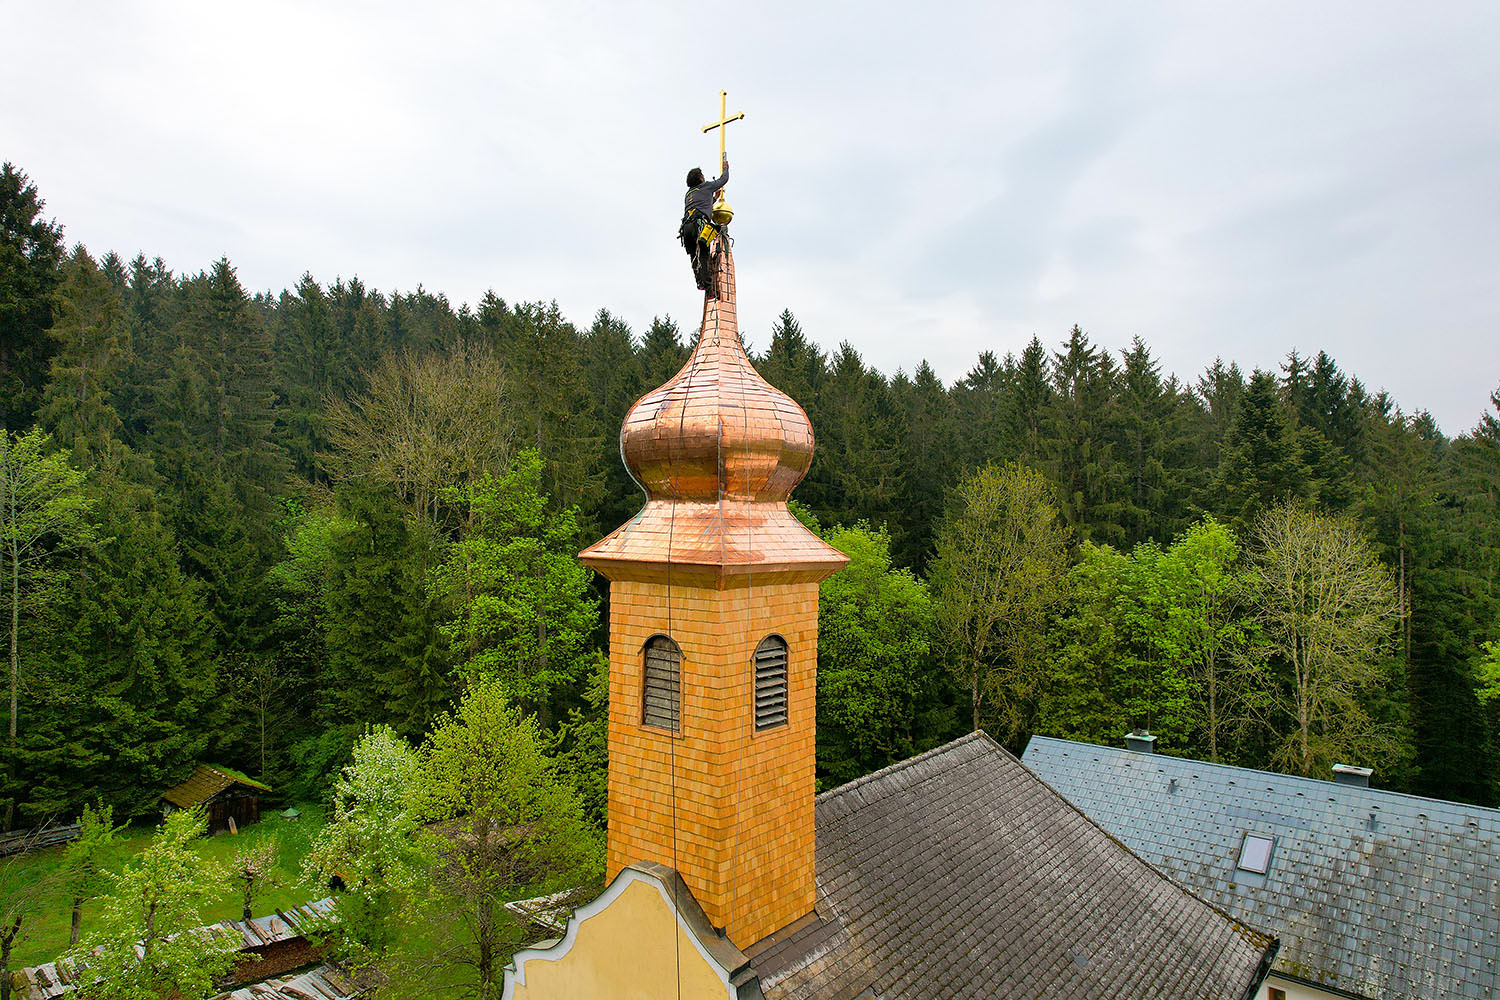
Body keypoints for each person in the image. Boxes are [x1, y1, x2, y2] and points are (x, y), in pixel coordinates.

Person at [680, 157, 728, 290]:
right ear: (701, 178)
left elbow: (701, 205)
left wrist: (714, 199)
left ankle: (700, 282)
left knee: (694, 255)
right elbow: (723, 180)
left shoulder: (688, 194)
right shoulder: (706, 186)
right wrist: (725, 168)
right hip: (699, 226)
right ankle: (708, 286)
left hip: (686, 228)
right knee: (703, 253)